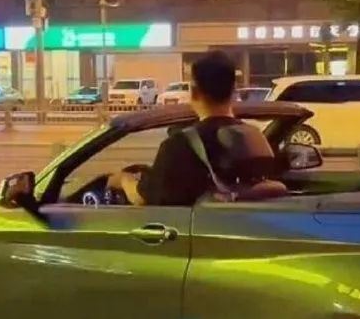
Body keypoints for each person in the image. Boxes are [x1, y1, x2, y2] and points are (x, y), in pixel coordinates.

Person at [113, 50, 265, 206]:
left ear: (194, 92)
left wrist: (124, 180)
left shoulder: (180, 146)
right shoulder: (255, 139)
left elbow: (142, 198)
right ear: (234, 90)